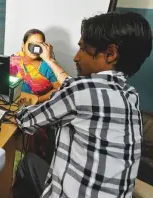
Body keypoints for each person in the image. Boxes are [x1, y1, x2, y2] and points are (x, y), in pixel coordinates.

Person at [13, 12, 152, 198]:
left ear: (110, 53)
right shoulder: (130, 95)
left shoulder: (80, 91)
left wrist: (23, 105)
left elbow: (25, 120)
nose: (76, 57)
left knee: (28, 162)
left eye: (83, 48)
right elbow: (73, 87)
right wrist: (50, 59)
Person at [10, 29, 61, 103]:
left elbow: (59, 89)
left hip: (40, 106)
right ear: (23, 45)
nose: (34, 48)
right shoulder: (13, 61)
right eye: (31, 44)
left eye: (39, 45)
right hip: (13, 104)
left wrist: (37, 100)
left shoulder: (49, 65)